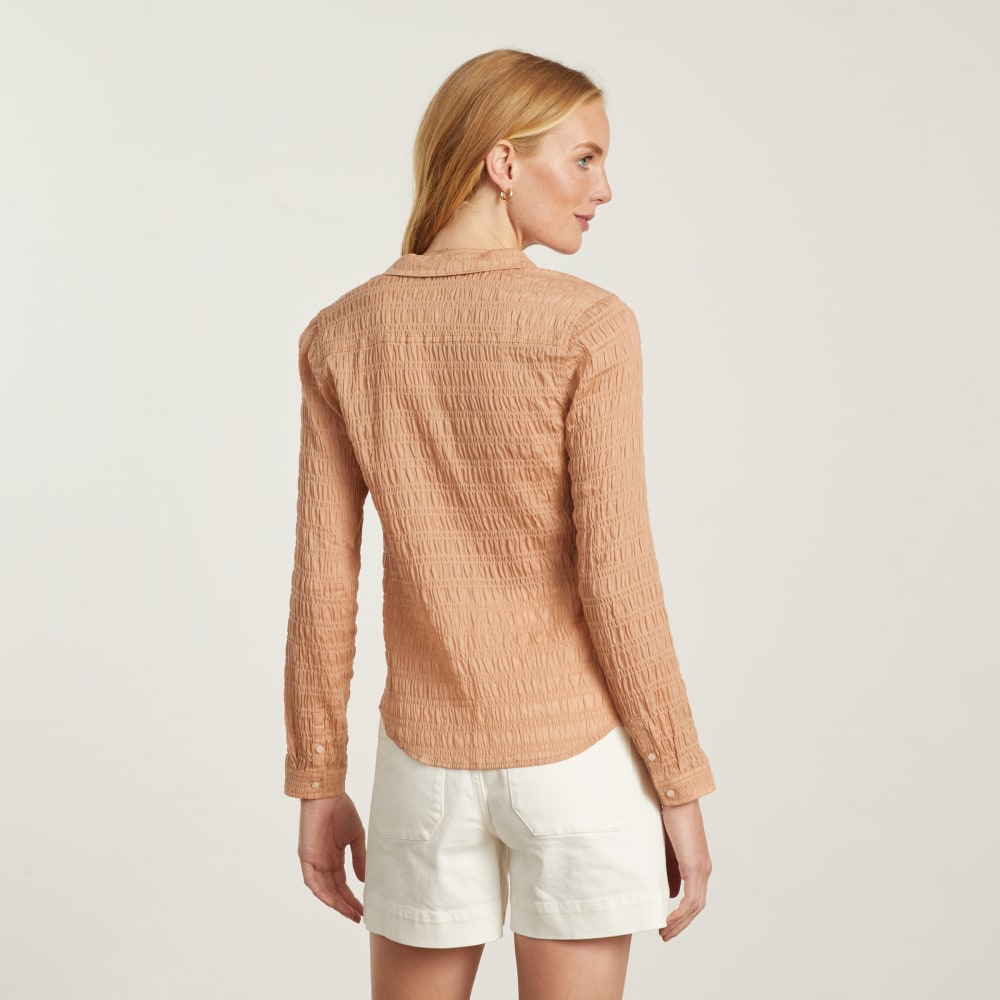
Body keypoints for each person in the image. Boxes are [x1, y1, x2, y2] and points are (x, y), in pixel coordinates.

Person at [284, 48, 715, 1000]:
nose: (605, 189)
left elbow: (323, 579)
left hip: (420, 766)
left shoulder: (341, 332)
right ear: (504, 162)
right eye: (586, 158)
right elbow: (618, 578)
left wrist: (319, 778)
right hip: (578, 761)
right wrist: (679, 782)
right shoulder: (589, 325)